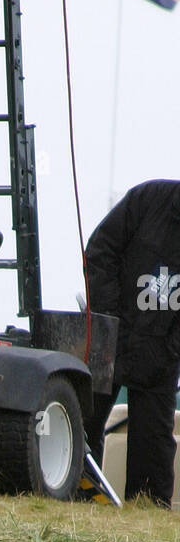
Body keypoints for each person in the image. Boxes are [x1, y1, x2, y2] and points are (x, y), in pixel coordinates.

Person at [83, 179, 180, 509]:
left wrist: (167, 349)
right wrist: (110, 321)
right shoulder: (147, 199)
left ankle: (146, 517)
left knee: (153, 446)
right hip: (106, 339)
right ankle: (78, 500)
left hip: (161, 353)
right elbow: (99, 252)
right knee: (83, 423)